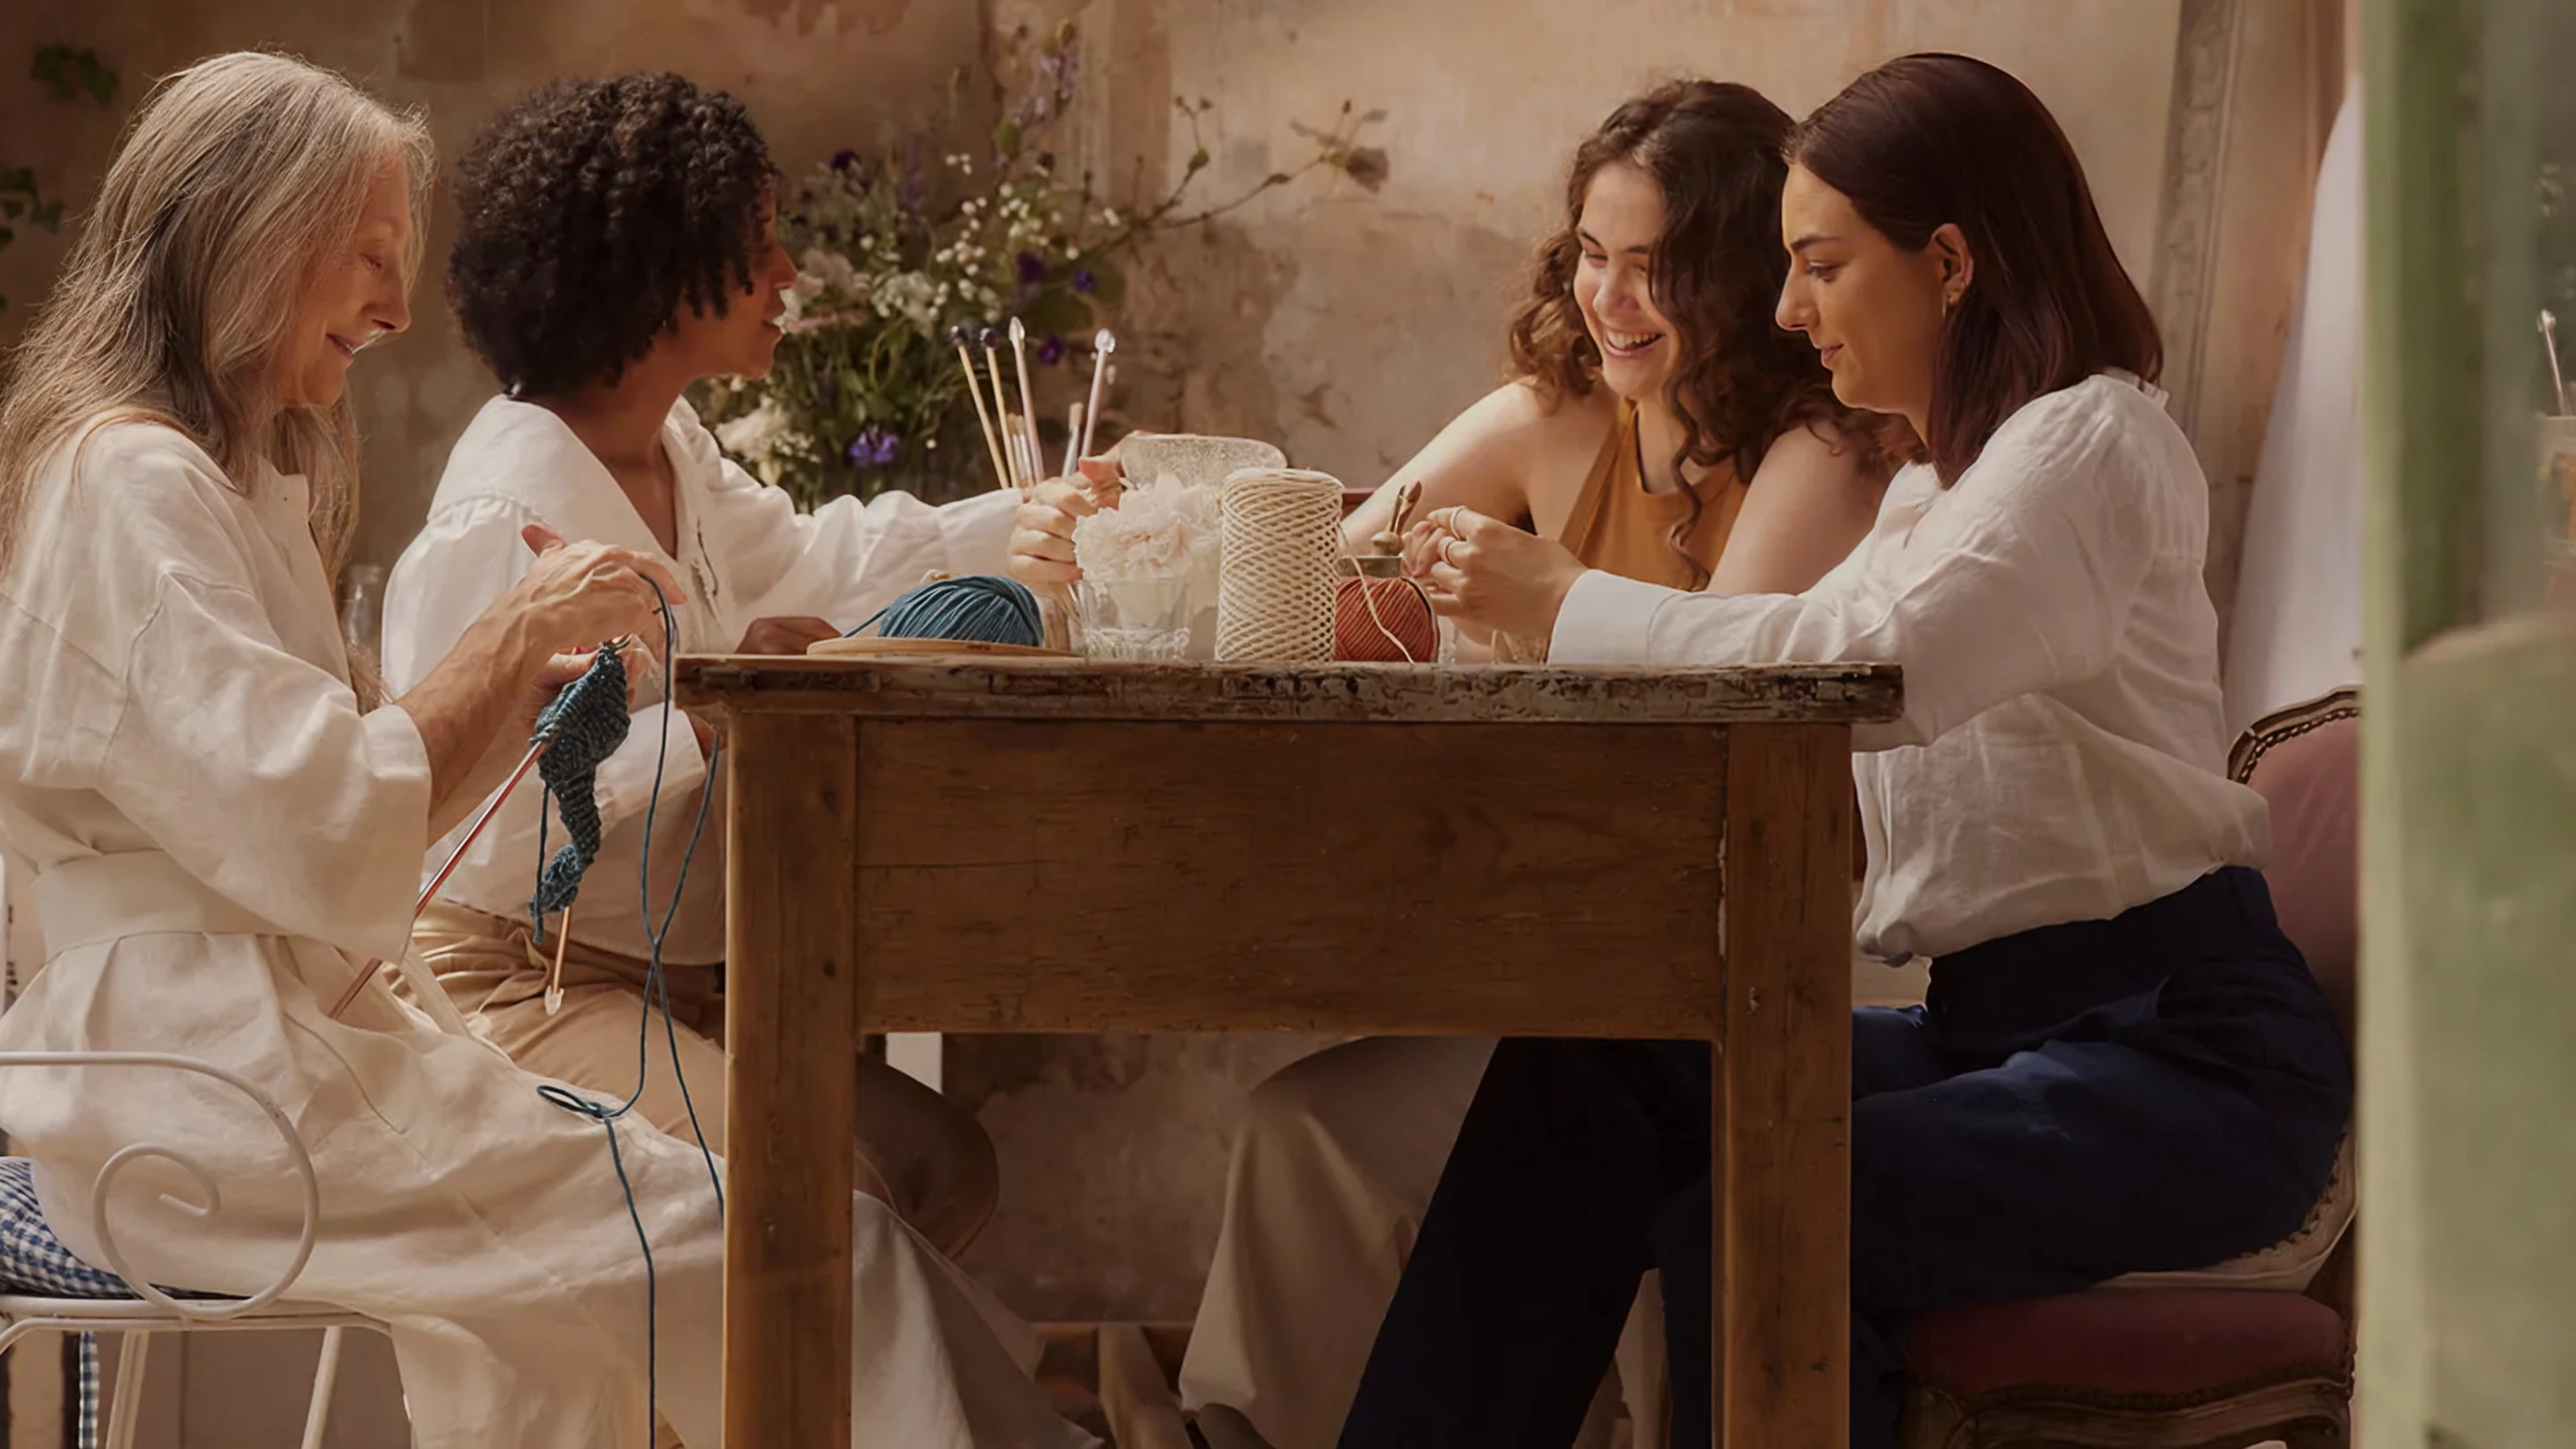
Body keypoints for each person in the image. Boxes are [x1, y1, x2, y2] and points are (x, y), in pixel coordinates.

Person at [0, 51, 1085, 1449]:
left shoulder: (211, 478)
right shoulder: (132, 481)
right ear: (253, 235)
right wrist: (519, 643)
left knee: (572, 1346)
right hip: (210, 1093)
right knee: (806, 1253)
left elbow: (324, 814)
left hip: (280, 1052)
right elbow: (322, 821)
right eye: (370, 259)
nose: (397, 310)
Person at [1334, 54, 2353, 1449]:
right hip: (1996, 1032)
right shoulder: (1942, 480)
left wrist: (1561, 599)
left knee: (1771, 1201)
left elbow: (1860, 672)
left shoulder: (2092, 443)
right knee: (1588, 1073)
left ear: (1946, 263)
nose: (1783, 307)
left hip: (2183, 1064)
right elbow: (1806, 661)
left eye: (1818, 263)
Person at [1010, 80, 1896, 1449]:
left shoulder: (1820, 454)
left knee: (1342, 1139)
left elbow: (1740, 701)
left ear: (1734, 271)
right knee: (1307, 1129)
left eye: (1656, 267)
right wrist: (1128, 532)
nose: (1612, 297)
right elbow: (1314, 560)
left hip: (1720, 984)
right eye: (1595, 255)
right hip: (1552, 963)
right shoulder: (1557, 417)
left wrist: (1538, 610)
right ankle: (1239, 1434)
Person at [382, 73, 1015, 1256]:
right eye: (759, 245)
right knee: (844, 1195)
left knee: (949, 1166)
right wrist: (715, 717)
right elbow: (478, 821)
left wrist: (1031, 528)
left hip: (678, 986)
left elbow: (821, 563)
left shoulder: (670, 450)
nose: (789, 277)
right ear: (664, 271)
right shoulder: (508, 511)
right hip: (519, 990)